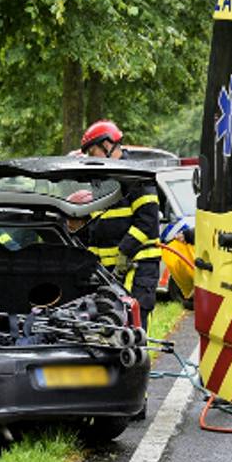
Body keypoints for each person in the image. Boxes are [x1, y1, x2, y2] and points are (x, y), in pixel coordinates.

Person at [79, 120, 161, 331]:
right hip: (109, 273)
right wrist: (91, 264)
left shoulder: (136, 177)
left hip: (138, 267)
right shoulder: (102, 183)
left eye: (92, 151)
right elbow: (97, 230)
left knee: (133, 329)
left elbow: (148, 222)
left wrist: (124, 253)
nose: (90, 158)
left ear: (107, 145)